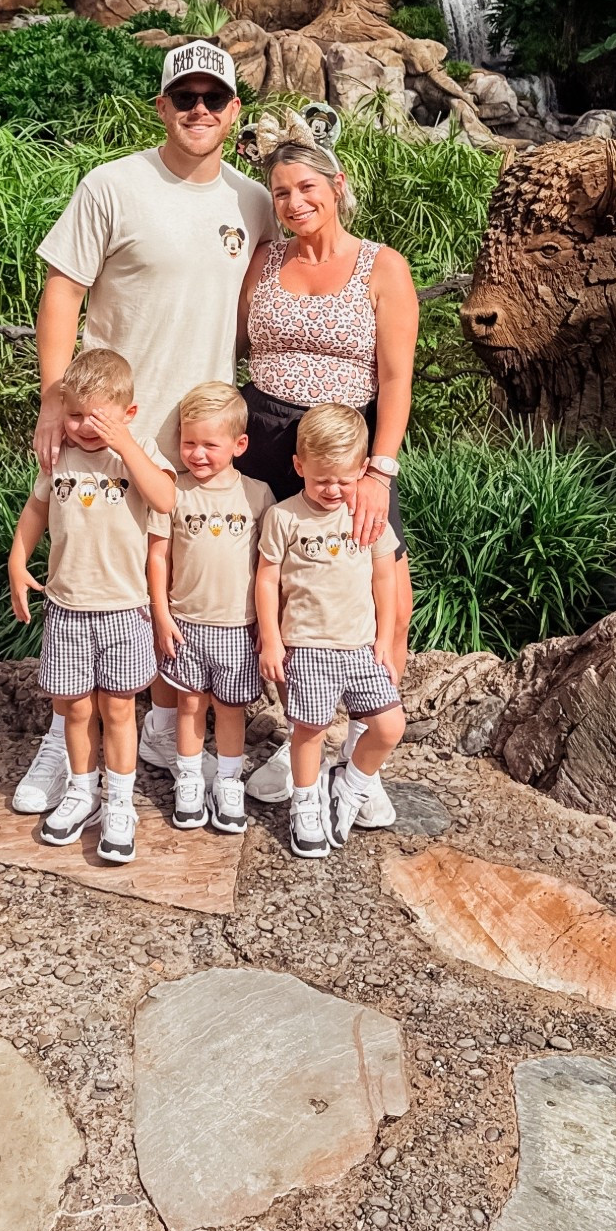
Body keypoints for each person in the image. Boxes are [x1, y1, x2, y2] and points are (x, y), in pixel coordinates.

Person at [12, 39, 278, 815]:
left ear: (234, 111)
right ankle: (61, 743)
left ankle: (161, 727)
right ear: (161, 106)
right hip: (104, 426)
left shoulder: (252, 202)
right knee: (86, 579)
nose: (200, 111)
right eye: (184, 98)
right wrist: (55, 399)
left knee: (169, 593)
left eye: (214, 99)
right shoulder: (112, 185)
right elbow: (62, 293)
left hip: (192, 442)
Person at [237, 138, 419, 818]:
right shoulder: (265, 261)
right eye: (281, 193)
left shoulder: (382, 266)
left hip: (348, 448)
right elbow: (230, 343)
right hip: (266, 438)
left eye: (306, 188)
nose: (294, 203)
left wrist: (381, 469)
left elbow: (398, 378)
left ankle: (362, 756)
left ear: (336, 185)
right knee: (280, 579)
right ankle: (298, 732)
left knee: (385, 583)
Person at [6, 348, 176, 864]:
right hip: (68, 608)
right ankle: (82, 789)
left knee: (119, 709)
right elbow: (37, 508)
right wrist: (17, 560)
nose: (83, 426)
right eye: (75, 414)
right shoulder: (60, 455)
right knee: (75, 708)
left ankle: (119, 801)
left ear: (128, 413)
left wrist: (125, 446)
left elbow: (166, 500)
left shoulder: (139, 450)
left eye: (97, 417)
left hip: (126, 609)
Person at [254, 404, 405, 858]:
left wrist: (383, 637)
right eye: (321, 480)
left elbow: (384, 578)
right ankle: (305, 806)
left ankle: (350, 782)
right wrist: (272, 638)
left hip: (361, 646)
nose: (332, 489)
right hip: (306, 647)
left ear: (362, 469)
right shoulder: (284, 517)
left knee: (389, 725)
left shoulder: (368, 516)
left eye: (343, 479)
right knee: (309, 730)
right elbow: (266, 578)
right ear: (299, 466)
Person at [147, 382, 274, 837]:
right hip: (184, 624)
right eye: (188, 443)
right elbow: (157, 556)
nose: (197, 454)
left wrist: (268, 624)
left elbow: (269, 567)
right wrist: (160, 613)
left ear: (239, 445)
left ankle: (227, 781)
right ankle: (187, 777)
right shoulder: (173, 492)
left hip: (239, 628)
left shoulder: (258, 496)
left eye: (209, 445)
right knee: (189, 705)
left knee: (230, 709)